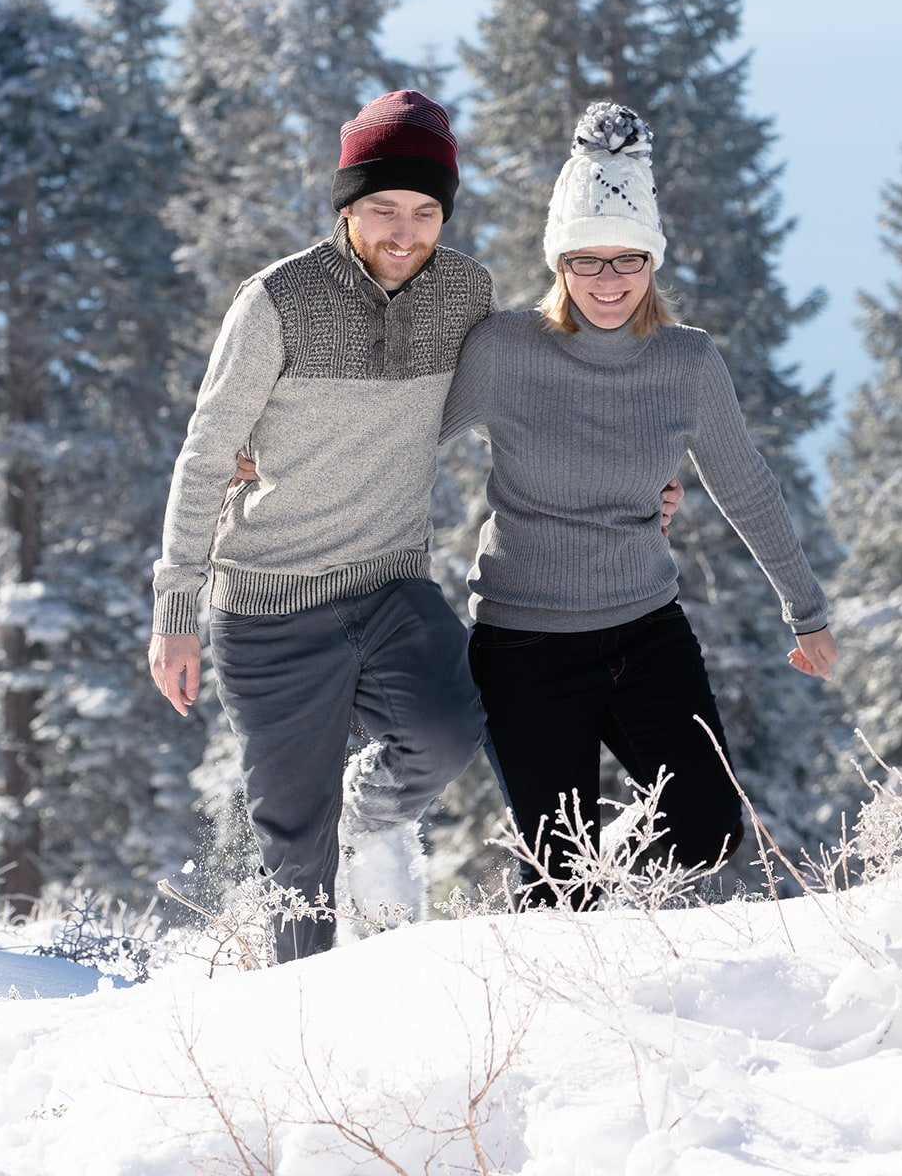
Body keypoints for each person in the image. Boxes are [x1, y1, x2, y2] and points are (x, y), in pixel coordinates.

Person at [435, 101, 840, 905]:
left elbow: (745, 482)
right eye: (587, 260)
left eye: (628, 259)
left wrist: (807, 608)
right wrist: (273, 459)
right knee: (556, 887)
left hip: (645, 633)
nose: (609, 280)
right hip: (524, 647)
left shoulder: (687, 362)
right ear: (559, 263)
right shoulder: (504, 351)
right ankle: (562, 971)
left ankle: (605, 890)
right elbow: (402, 442)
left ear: (653, 263)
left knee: (708, 825)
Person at [147, 88, 496, 961]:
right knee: (292, 852)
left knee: (450, 728)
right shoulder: (277, 302)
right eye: (383, 209)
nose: (406, 233)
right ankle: (306, 1037)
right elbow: (203, 455)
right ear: (347, 208)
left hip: (391, 584)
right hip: (268, 609)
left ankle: (362, 821)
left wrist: (640, 479)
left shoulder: (465, 292)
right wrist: (174, 614)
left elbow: (507, 393)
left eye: (425, 212)